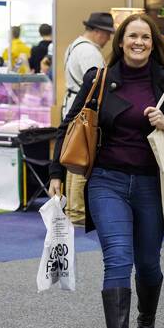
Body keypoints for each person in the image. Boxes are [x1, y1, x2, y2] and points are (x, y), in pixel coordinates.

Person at [48, 13, 164, 328]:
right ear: (120, 41)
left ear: (153, 44)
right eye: (132, 36)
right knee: (118, 258)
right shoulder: (99, 79)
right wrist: (55, 174)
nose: (139, 42)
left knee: (148, 264)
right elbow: (69, 126)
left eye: (145, 37)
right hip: (108, 182)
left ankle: (145, 324)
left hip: (152, 185)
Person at [61, 12, 115, 226]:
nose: (109, 39)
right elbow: (96, 85)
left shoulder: (75, 46)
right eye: (107, 34)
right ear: (98, 32)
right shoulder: (89, 53)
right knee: (81, 158)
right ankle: (78, 211)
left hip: (74, 105)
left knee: (75, 157)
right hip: (85, 110)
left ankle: (75, 209)